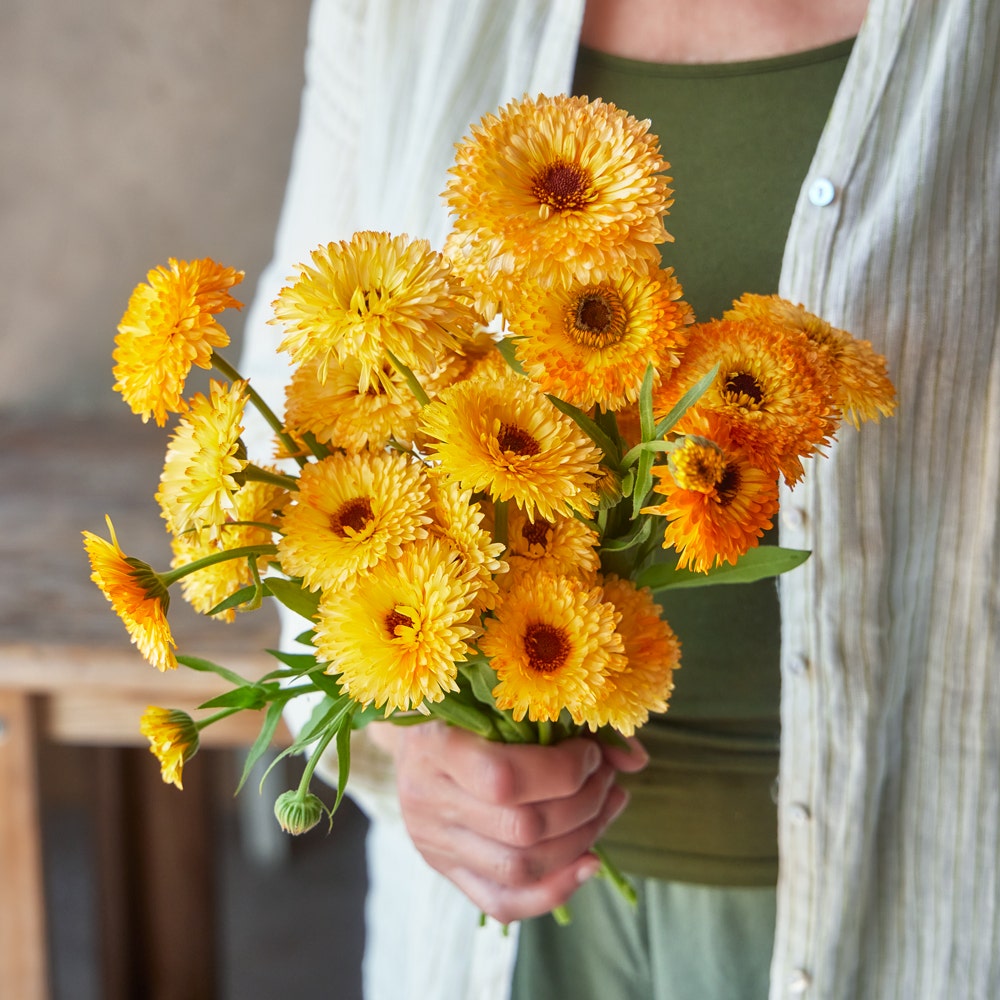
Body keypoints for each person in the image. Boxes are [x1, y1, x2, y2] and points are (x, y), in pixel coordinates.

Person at [238, 1, 1000, 998]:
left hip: (916, 900)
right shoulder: (402, 18)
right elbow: (287, 450)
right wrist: (411, 735)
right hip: (483, 930)